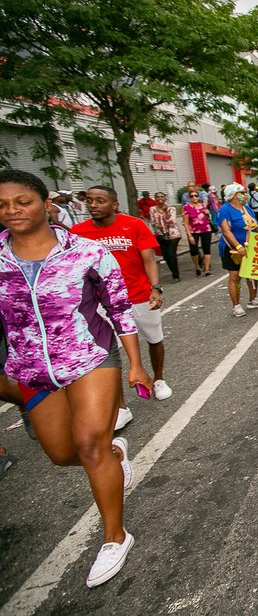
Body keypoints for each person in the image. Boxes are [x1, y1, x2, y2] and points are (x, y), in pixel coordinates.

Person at [0, 169, 152, 587]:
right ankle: (118, 457)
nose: (12, 211)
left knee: (88, 445)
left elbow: (119, 308)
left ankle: (114, 536)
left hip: (90, 357)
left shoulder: (85, 252)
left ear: (46, 204)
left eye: (22, 202)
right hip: (30, 366)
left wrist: (136, 364)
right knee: (62, 453)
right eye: (2, 205)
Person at [73, 185, 174, 417]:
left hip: (138, 295)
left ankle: (159, 379)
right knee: (110, 351)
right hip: (100, 303)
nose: (93, 205)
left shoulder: (134, 224)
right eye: (90, 200)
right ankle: (119, 406)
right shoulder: (77, 232)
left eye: (100, 200)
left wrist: (155, 288)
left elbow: (148, 258)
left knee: (154, 339)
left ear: (114, 205)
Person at [218, 183, 258, 317]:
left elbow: (253, 227)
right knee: (235, 276)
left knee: (252, 274)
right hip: (232, 249)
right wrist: (237, 246)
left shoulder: (247, 208)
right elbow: (226, 231)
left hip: (250, 247)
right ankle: (236, 305)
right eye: (242, 193)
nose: (245, 195)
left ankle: (253, 299)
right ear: (233, 195)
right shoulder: (225, 209)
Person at [148, 191, 182, 283]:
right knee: (166, 255)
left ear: (165, 198)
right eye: (157, 197)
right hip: (161, 235)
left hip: (173, 234)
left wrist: (165, 212)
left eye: (162, 197)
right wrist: (159, 226)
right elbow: (153, 222)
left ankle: (176, 275)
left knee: (171, 254)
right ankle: (173, 271)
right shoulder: (152, 209)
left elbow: (172, 221)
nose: (160, 199)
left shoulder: (171, 209)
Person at [182, 189, 214, 276]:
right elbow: (186, 223)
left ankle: (207, 269)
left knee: (206, 249)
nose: (194, 197)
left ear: (199, 197)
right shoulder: (186, 207)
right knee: (194, 250)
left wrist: (208, 214)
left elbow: (209, 218)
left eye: (196, 196)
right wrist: (189, 235)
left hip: (205, 229)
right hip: (193, 230)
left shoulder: (203, 205)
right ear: (189, 198)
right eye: (192, 196)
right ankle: (197, 266)